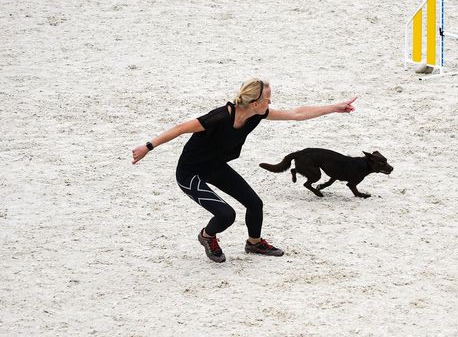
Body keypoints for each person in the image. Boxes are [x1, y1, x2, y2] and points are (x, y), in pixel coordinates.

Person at [132, 78, 356, 263]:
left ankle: (254, 243)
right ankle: (206, 236)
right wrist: (148, 146)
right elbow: (180, 128)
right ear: (255, 102)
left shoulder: (258, 114)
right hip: (190, 173)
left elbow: (296, 113)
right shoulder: (219, 117)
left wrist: (335, 108)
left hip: (215, 167)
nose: (271, 101)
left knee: (255, 204)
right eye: (268, 98)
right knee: (226, 215)